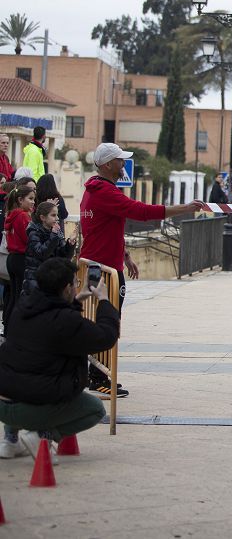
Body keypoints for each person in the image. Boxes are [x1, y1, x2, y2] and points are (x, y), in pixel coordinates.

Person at [80, 143, 202, 398]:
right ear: (106, 165)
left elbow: (104, 228)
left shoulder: (95, 190)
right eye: (119, 160)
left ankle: (96, 373)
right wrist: (184, 208)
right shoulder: (105, 192)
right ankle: (99, 377)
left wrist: (124, 255)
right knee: (107, 319)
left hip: (99, 263)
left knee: (100, 318)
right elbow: (140, 211)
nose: (123, 164)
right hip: (104, 270)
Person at [0, 258, 118, 460]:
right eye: (74, 283)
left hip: (3, 402)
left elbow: (50, 317)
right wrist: (105, 301)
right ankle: (41, 437)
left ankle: (10, 441)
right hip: (28, 407)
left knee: (23, 370)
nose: (76, 287)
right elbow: (105, 336)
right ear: (66, 289)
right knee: (94, 409)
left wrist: (77, 299)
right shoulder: (66, 322)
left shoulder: (24, 307)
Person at [23, 201, 74, 295]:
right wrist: (53, 236)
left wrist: (70, 245)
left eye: (57, 215)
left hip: (51, 277)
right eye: (53, 215)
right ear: (43, 218)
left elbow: (64, 257)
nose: (57, 218)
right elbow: (41, 253)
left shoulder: (56, 232)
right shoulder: (34, 232)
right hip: (36, 278)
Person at [3, 184, 36, 327]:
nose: (33, 202)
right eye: (30, 199)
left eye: (34, 199)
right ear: (20, 200)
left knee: (13, 295)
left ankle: (8, 326)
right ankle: (16, 328)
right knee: (20, 296)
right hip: (21, 258)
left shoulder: (12, 214)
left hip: (12, 258)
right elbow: (28, 238)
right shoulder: (23, 216)